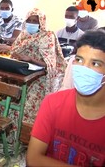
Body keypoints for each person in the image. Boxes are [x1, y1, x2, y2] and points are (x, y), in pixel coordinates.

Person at [27, 30, 105, 166]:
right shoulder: (53, 102)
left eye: (96, 63)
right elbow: (33, 159)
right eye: (79, 60)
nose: (84, 68)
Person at [10, 8, 66, 125]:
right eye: (29, 20)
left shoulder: (47, 36)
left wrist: (31, 59)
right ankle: (12, 134)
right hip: (23, 73)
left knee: (28, 107)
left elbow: (50, 64)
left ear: (41, 22)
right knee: (10, 99)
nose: (31, 23)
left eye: (35, 20)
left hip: (41, 78)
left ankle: (27, 134)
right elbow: (13, 51)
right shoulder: (23, 35)